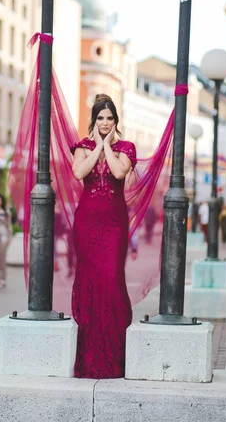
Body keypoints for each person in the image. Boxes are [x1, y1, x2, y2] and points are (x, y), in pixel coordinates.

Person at [70, 94, 136, 379]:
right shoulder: (82, 148)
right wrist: (97, 144)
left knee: (111, 280)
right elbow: (79, 172)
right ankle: (87, 357)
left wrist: (107, 145)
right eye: (100, 118)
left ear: (116, 121)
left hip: (113, 225)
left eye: (110, 118)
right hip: (86, 224)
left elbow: (120, 173)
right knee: (90, 282)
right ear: (93, 121)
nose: (106, 123)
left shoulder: (125, 148)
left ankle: (116, 356)